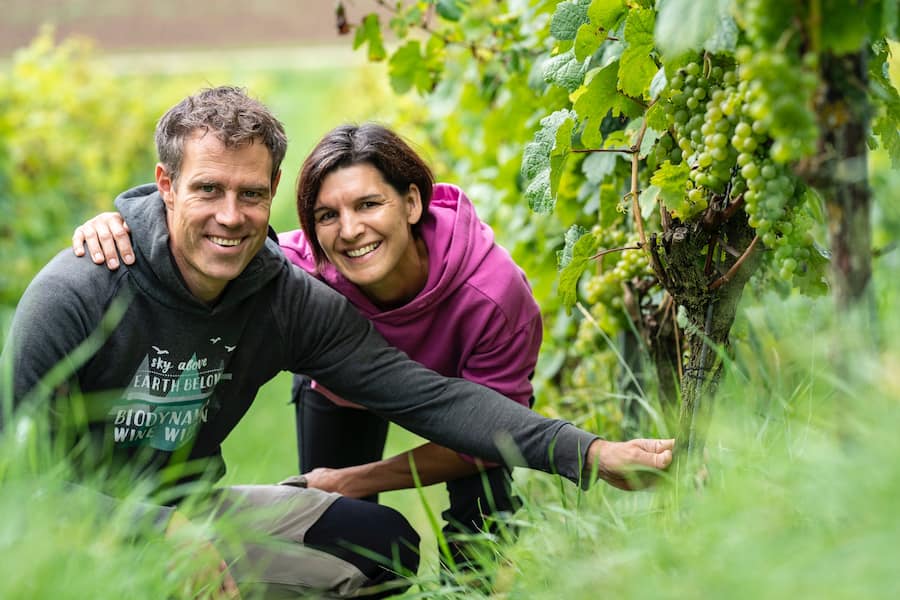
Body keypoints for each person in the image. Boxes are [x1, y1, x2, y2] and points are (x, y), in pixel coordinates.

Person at [5, 86, 673, 598]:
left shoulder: (279, 293)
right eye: (207, 189)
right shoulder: (77, 295)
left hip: (195, 509)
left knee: (381, 545)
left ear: (273, 199)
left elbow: (436, 399)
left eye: (252, 194)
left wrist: (590, 451)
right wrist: (158, 532)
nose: (231, 216)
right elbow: (23, 489)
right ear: (165, 186)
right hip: (75, 530)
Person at [78, 123, 543, 569]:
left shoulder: (493, 294)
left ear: (412, 202)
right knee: (340, 535)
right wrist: (121, 224)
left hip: (468, 404)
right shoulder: (297, 274)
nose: (350, 230)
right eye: (327, 215)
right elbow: (202, 239)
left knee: (482, 511)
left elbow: (495, 438)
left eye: (369, 204)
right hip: (343, 393)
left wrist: (354, 478)